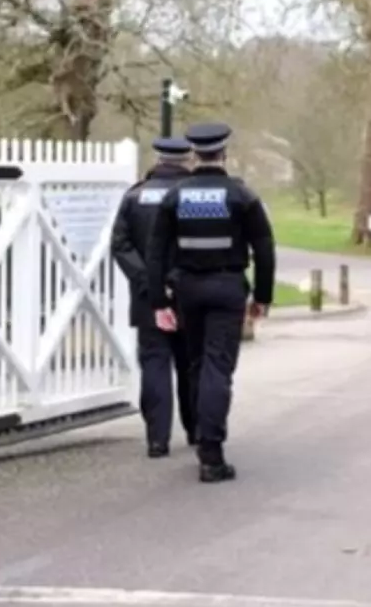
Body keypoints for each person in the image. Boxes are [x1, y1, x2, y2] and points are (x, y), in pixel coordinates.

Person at [145, 122, 275, 484]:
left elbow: (157, 254)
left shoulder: (176, 196)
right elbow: (264, 248)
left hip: (187, 289)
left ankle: (201, 434)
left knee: (197, 364)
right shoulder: (241, 196)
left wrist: (159, 301)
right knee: (219, 367)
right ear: (223, 153)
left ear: (195, 154)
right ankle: (211, 454)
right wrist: (262, 297)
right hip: (228, 287)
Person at [110, 136, 197, 459]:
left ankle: (157, 439)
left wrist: (149, 280)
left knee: (155, 363)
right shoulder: (195, 196)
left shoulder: (134, 196)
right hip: (190, 289)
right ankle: (196, 430)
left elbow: (120, 244)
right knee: (190, 362)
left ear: (158, 158)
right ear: (187, 159)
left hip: (148, 296)